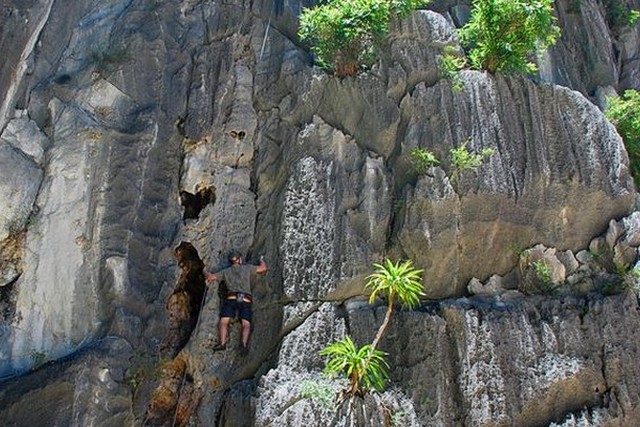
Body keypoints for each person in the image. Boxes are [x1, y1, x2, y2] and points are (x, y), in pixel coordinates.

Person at [205, 251, 268, 353]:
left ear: (231, 262)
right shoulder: (247, 268)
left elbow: (211, 277)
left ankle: (222, 343)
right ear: (240, 260)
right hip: (245, 299)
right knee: (246, 324)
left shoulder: (225, 272)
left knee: (224, 321)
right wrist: (262, 260)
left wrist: (205, 272)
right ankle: (243, 345)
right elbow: (263, 268)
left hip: (231, 299)